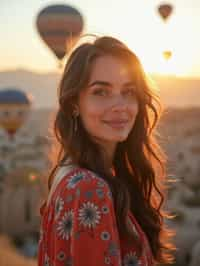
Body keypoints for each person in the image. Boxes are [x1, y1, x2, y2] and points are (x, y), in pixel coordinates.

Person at [37, 35, 176, 266]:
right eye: (101, 92)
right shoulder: (88, 188)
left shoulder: (73, 174)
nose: (120, 106)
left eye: (129, 92)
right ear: (74, 104)